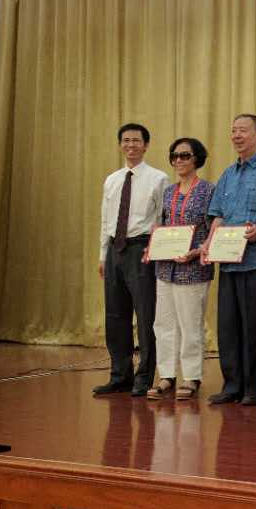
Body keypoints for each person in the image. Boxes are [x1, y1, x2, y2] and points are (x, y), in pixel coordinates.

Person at [204, 114, 256, 406]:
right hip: (228, 261)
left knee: (255, 327)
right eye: (233, 131)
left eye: (243, 130)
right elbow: (217, 215)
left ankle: (254, 388)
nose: (237, 135)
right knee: (228, 326)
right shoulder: (228, 174)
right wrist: (210, 243)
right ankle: (232, 386)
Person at [94, 123, 169, 397]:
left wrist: (156, 252)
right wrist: (103, 255)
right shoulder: (112, 180)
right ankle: (120, 375)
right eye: (126, 140)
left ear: (146, 145)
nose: (131, 145)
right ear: (120, 145)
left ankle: (144, 377)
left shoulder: (159, 178)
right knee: (115, 315)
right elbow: (106, 220)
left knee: (146, 315)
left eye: (136, 141)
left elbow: (162, 218)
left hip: (142, 250)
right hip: (115, 249)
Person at [146, 137, 215, 401]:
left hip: (193, 268)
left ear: (197, 158)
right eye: (174, 156)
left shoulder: (208, 190)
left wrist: (198, 251)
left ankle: (191, 377)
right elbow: (162, 226)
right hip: (165, 268)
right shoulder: (168, 191)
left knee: (190, 324)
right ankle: (166, 375)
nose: (178, 160)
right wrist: (152, 246)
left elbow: (214, 230)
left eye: (185, 155)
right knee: (163, 324)